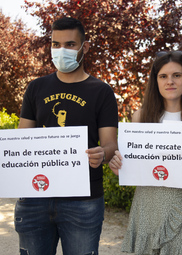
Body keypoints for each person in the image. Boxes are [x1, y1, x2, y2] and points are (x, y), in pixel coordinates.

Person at [15, 17, 119, 255]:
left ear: (85, 47)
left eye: (70, 45)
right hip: (35, 196)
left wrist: (102, 154)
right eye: (56, 44)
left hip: (82, 201)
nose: (62, 51)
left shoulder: (101, 92)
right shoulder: (35, 88)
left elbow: (110, 145)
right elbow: (23, 140)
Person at [109, 51, 182, 254]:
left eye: (177, 75)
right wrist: (119, 166)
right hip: (149, 205)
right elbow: (134, 168)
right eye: (163, 76)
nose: (170, 82)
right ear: (155, 81)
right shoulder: (141, 117)